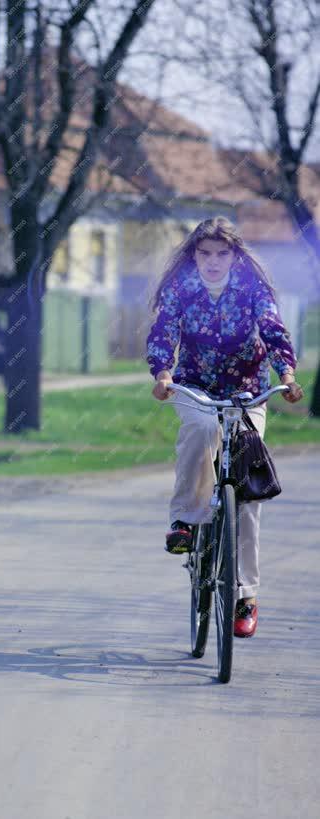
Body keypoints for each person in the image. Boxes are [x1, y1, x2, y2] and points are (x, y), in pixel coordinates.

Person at [146, 216, 303, 638]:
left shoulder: (252, 290)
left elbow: (273, 331)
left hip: (248, 392)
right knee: (200, 432)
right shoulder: (182, 289)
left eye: (221, 254)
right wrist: (162, 374)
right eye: (205, 253)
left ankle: (245, 596)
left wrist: (286, 375)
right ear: (193, 255)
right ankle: (184, 520)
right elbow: (163, 333)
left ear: (235, 256)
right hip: (196, 388)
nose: (213, 262)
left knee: (248, 498)